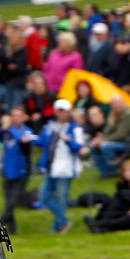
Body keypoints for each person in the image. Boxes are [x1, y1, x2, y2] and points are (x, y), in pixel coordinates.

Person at [37, 99, 83, 234]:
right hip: (51, 166)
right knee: (43, 196)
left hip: (66, 168)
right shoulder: (51, 126)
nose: (61, 114)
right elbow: (41, 141)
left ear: (68, 112)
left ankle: (57, 227)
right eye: (58, 111)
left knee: (62, 198)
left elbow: (78, 147)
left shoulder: (75, 128)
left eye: (64, 111)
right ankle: (63, 221)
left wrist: (68, 141)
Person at [0, 106, 34, 235]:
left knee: (12, 202)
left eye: (18, 115)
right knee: (9, 201)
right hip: (8, 171)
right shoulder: (7, 131)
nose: (15, 118)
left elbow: (22, 140)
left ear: (24, 117)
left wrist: (9, 128)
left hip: (21, 172)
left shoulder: (26, 131)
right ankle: (13, 230)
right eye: (13, 115)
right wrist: (3, 128)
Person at [84, 158, 130, 234]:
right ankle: (99, 222)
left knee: (115, 203)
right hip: (121, 207)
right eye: (125, 171)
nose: (128, 173)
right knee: (109, 201)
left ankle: (99, 224)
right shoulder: (121, 184)